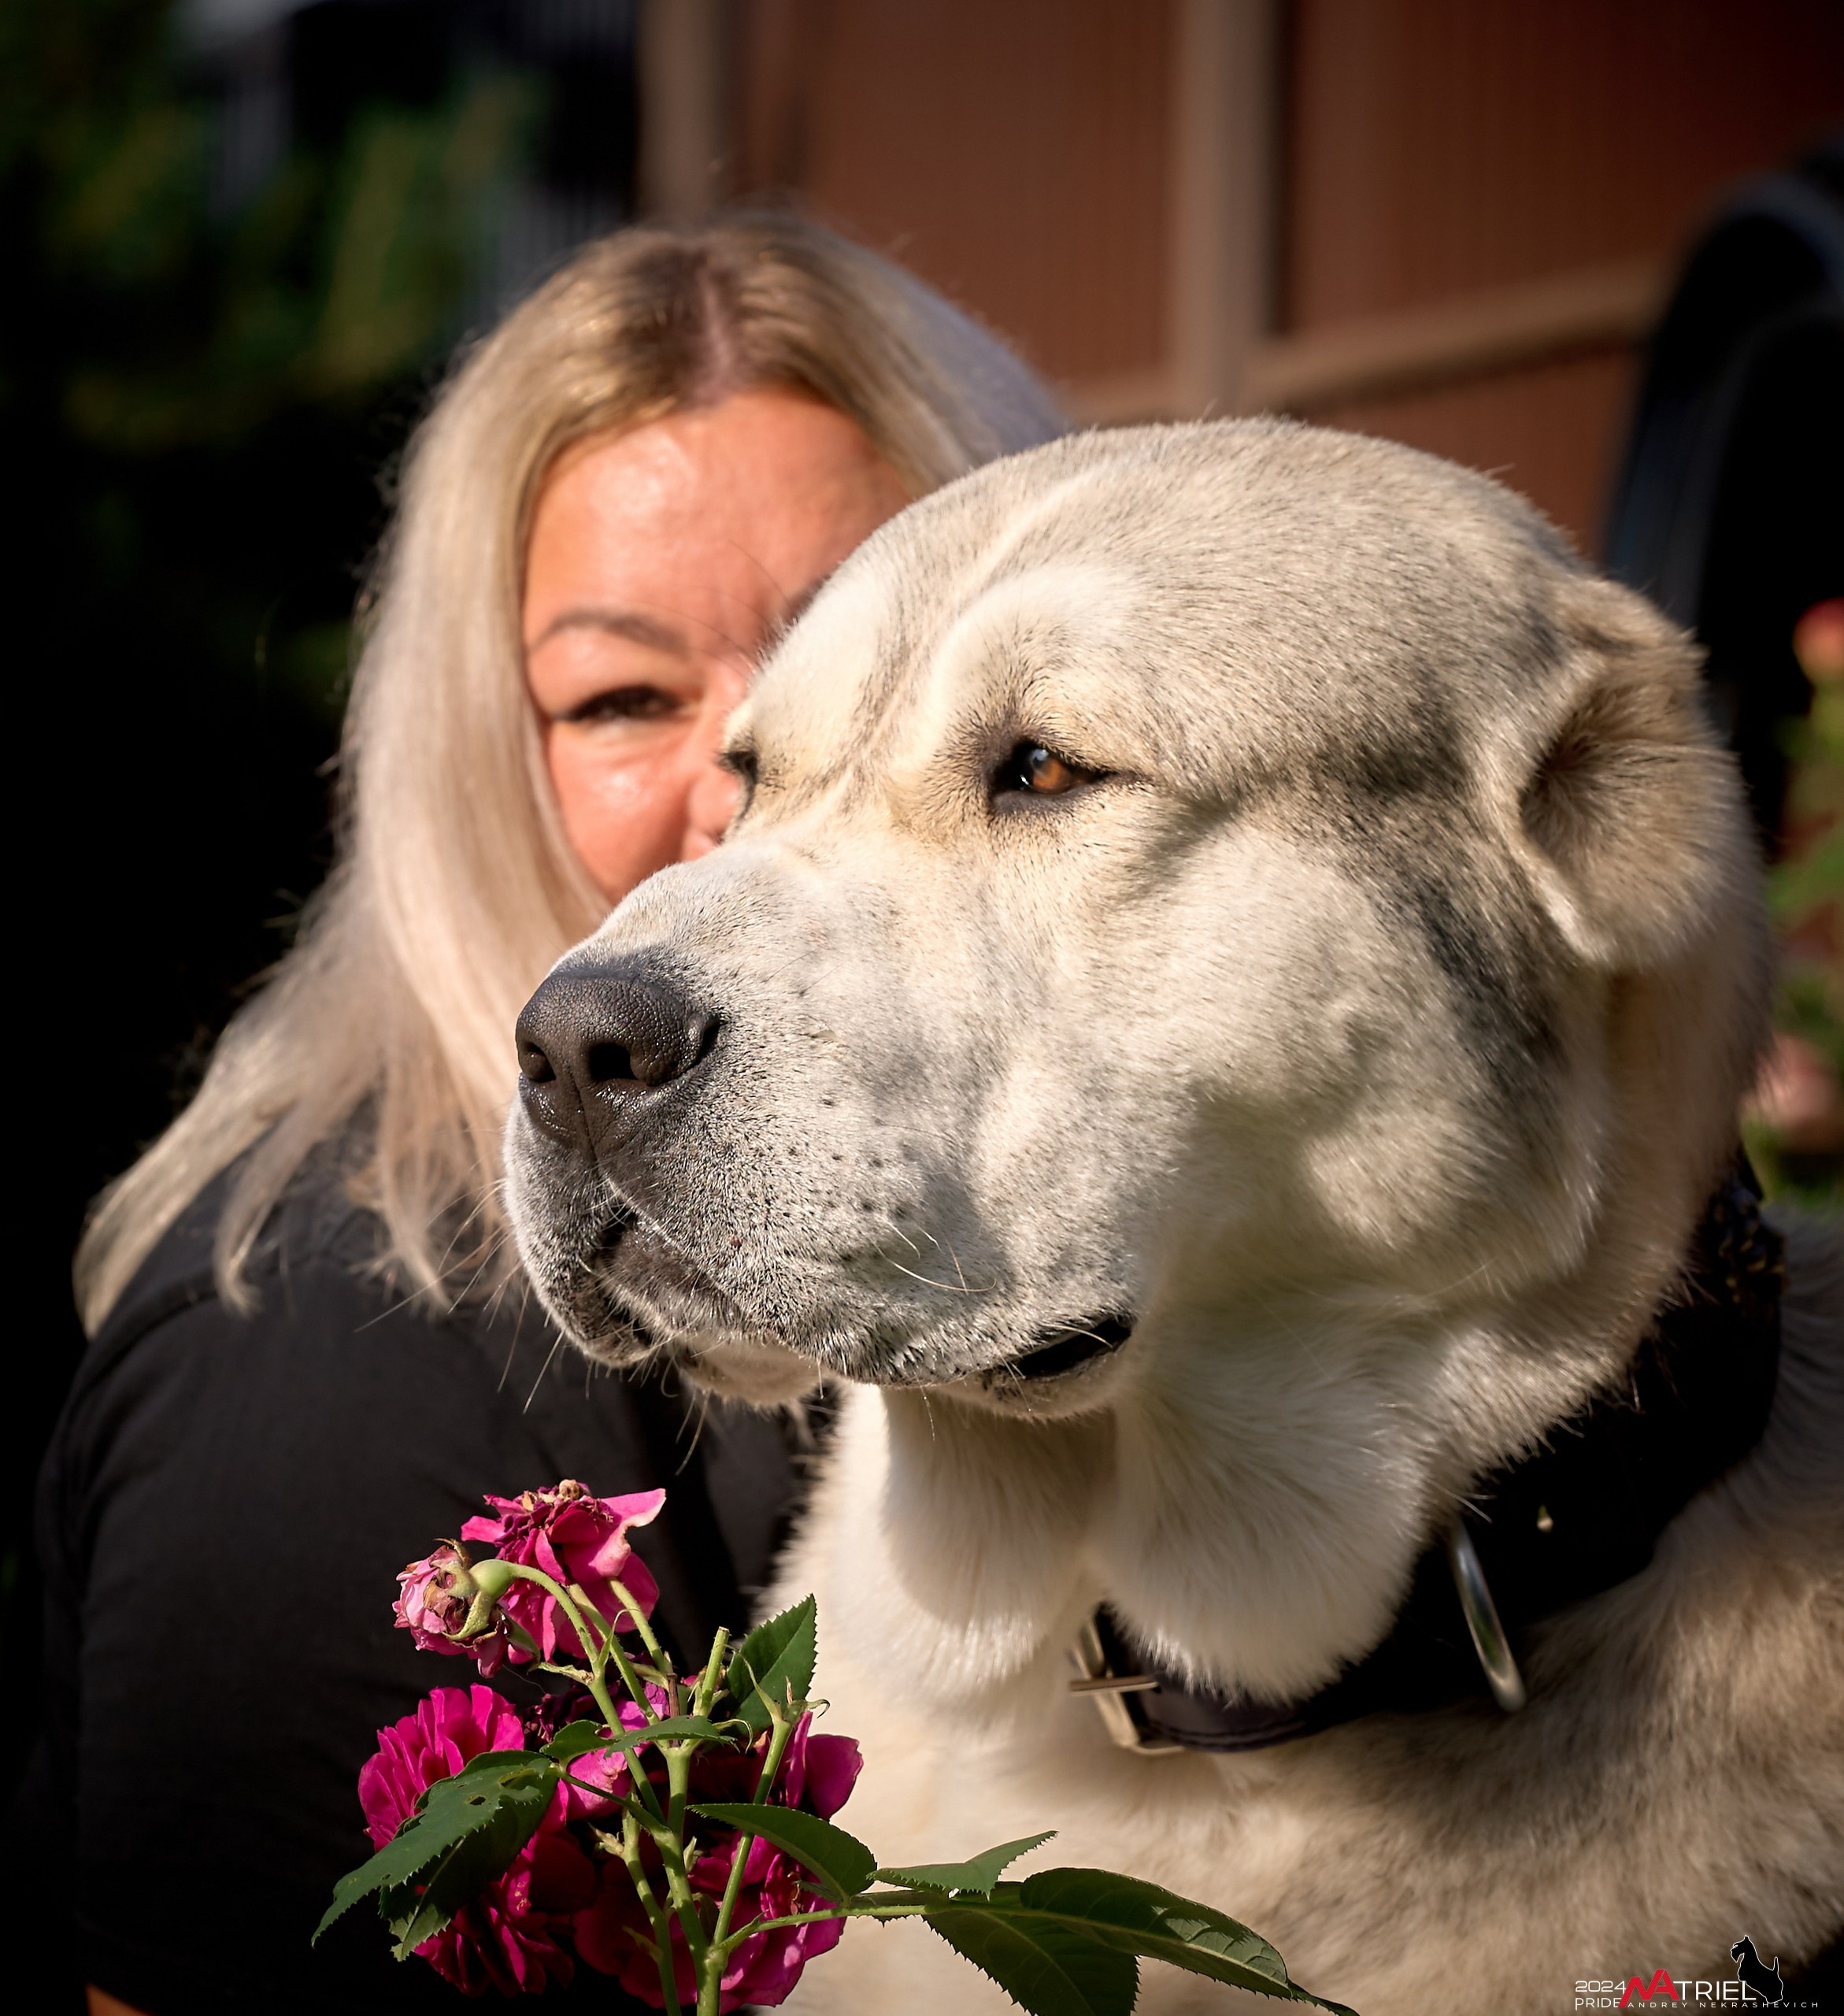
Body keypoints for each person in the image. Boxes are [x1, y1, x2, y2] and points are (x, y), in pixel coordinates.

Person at [19, 213, 1064, 2014]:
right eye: (623, 696)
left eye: (862, 659)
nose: (755, 782)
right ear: (475, 763)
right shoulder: (337, 1385)